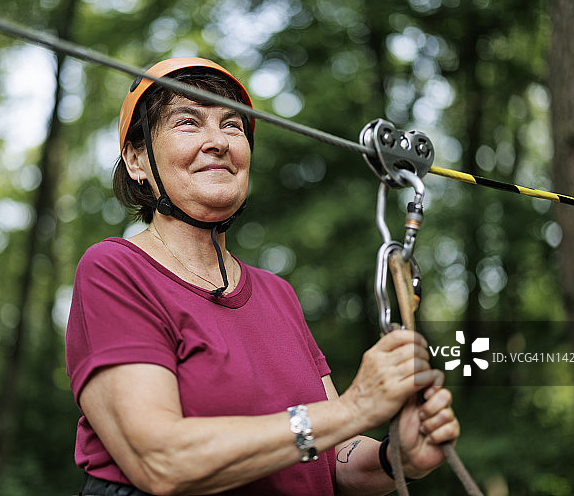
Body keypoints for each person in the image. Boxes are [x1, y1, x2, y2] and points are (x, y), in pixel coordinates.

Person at [65, 57, 460, 496]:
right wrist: (352, 409)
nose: (217, 141)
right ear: (137, 159)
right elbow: (161, 461)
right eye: (188, 122)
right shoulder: (116, 270)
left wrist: (394, 458)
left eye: (232, 125)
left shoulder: (277, 294)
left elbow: (332, 454)